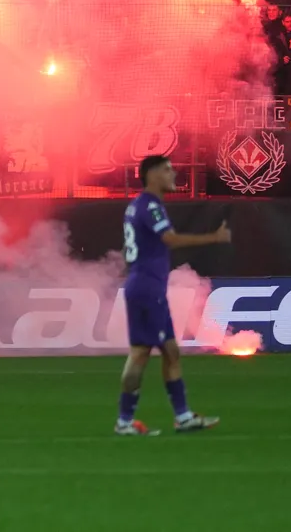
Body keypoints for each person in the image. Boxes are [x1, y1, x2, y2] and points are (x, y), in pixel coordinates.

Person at [116, 155, 227, 436]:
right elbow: (171, 239)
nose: (174, 174)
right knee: (142, 353)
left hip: (144, 285)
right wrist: (214, 238)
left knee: (170, 351)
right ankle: (126, 421)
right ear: (151, 174)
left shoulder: (137, 206)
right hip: (147, 288)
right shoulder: (150, 205)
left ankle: (182, 417)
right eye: (167, 170)